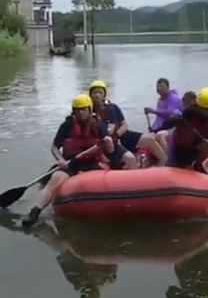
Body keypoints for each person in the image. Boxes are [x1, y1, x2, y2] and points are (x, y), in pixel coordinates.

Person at [22, 94, 114, 227]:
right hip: (70, 164)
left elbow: (110, 151)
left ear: (89, 109)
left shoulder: (98, 126)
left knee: (102, 181)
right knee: (55, 179)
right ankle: (34, 212)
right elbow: (54, 147)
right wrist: (60, 160)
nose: (81, 112)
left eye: (83, 109)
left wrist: (109, 142)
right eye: (77, 110)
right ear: (73, 111)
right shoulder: (67, 125)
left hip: (92, 164)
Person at [89, 80, 167, 166]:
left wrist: (117, 135)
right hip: (109, 141)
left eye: (100, 92)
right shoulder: (89, 112)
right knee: (150, 140)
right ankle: (163, 162)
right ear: (90, 95)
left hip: (122, 135)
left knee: (151, 138)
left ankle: (164, 161)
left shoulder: (113, 107)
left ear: (104, 95)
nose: (97, 95)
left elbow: (124, 125)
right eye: (94, 93)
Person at [153, 87, 208, 173]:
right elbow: (172, 122)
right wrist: (156, 130)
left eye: (207, 110)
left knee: (207, 145)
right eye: (201, 108)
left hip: (199, 151)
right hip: (180, 149)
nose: (203, 112)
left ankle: (197, 166)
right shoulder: (191, 111)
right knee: (173, 163)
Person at [144, 78, 183, 152]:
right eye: (157, 87)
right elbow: (159, 119)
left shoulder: (173, 98)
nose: (159, 88)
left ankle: (169, 157)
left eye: (161, 86)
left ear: (168, 87)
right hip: (163, 127)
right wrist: (153, 128)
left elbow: (170, 114)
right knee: (146, 137)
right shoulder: (161, 100)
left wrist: (153, 111)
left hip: (174, 127)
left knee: (159, 135)